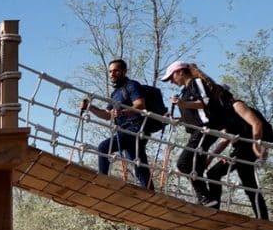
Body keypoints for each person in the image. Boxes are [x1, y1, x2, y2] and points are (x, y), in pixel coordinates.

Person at [163, 60, 231, 207]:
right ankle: (210, 204)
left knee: (183, 163)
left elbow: (204, 102)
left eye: (171, 78)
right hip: (198, 131)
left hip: (204, 130)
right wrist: (176, 118)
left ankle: (205, 197)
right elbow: (195, 113)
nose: (171, 82)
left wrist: (182, 104)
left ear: (180, 72)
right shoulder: (185, 90)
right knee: (197, 167)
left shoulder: (196, 83)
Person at [81, 59, 152, 190]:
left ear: (124, 71)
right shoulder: (115, 93)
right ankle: (150, 193)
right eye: (110, 71)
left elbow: (140, 105)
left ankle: (102, 180)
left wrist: (122, 112)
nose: (112, 74)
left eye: (116, 71)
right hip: (124, 130)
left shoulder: (132, 85)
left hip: (135, 129)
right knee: (139, 165)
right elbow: (107, 115)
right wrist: (90, 107)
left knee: (103, 147)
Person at [205, 96, 271, 220]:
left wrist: (256, 146)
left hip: (247, 148)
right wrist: (210, 158)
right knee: (249, 184)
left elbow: (257, 124)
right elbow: (225, 139)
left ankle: (213, 210)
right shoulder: (225, 114)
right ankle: (263, 218)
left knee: (213, 173)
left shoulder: (237, 105)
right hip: (242, 149)